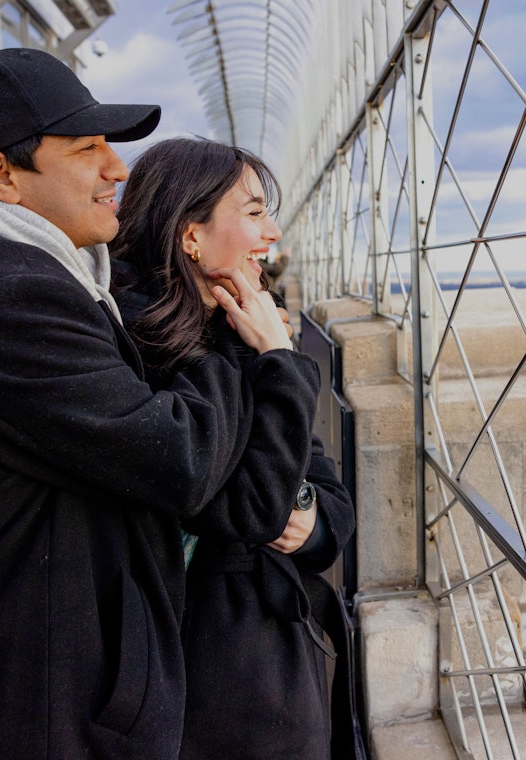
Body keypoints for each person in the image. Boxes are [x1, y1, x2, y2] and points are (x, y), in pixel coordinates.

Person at [0, 49, 323, 759]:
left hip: (38, 693)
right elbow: (181, 461)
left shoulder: (39, 280)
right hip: (22, 713)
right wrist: (263, 353)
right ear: (0, 175)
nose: (117, 169)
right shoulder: (3, 300)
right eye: (87, 149)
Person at [110, 137, 357, 760]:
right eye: (252, 212)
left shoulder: (238, 320)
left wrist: (315, 521)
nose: (272, 231)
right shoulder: (137, 347)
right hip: (209, 666)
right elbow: (249, 508)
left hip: (266, 647)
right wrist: (280, 361)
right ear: (191, 234)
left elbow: (322, 482)